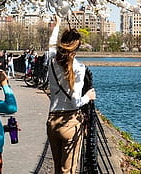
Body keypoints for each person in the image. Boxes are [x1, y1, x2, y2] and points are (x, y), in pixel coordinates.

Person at [46, 16, 96, 174]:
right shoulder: (79, 68)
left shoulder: (51, 60)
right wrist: (89, 96)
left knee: (57, 169)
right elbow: (75, 102)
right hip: (70, 121)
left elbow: (51, 44)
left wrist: (57, 25)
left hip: (53, 120)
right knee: (68, 170)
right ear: (76, 47)